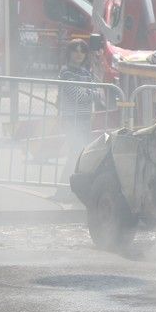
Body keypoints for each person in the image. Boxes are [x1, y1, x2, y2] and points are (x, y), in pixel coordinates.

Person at [55, 39, 99, 201]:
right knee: (75, 154)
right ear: (69, 53)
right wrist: (90, 93)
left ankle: (69, 191)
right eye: (76, 50)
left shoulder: (87, 73)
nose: (79, 54)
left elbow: (99, 93)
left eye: (82, 51)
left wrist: (88, 92)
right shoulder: (66, 72)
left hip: (84, 119)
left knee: (80, 155)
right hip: (71, 120)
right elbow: (76, 95)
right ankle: (64, 190)